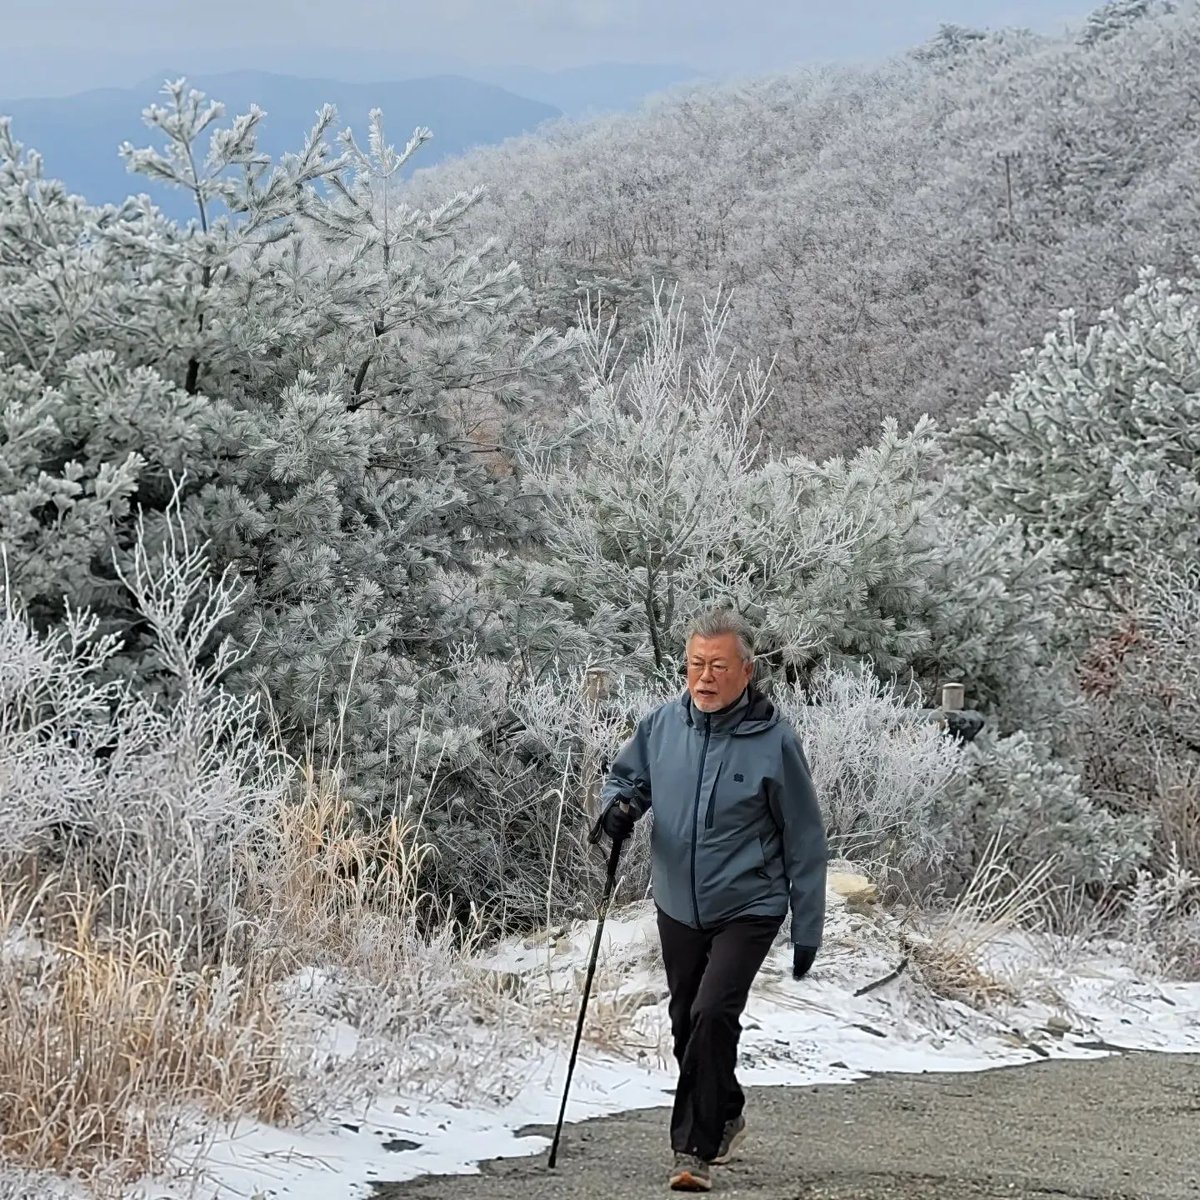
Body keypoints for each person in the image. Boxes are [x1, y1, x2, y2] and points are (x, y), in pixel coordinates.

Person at [589, 607, 827, 1192]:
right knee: (684, 1020)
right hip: (678, 901)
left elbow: (804, 837)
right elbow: (627, 781)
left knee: (712, 1012)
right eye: (696, 664)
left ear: (746, 671)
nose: (704, 678)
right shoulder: (663, 726)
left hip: (750, 902)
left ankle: (691, 1151)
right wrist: (617, 810)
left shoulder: (775, 741)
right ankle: (724, 1108)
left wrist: (807, 930)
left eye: (718, 666)